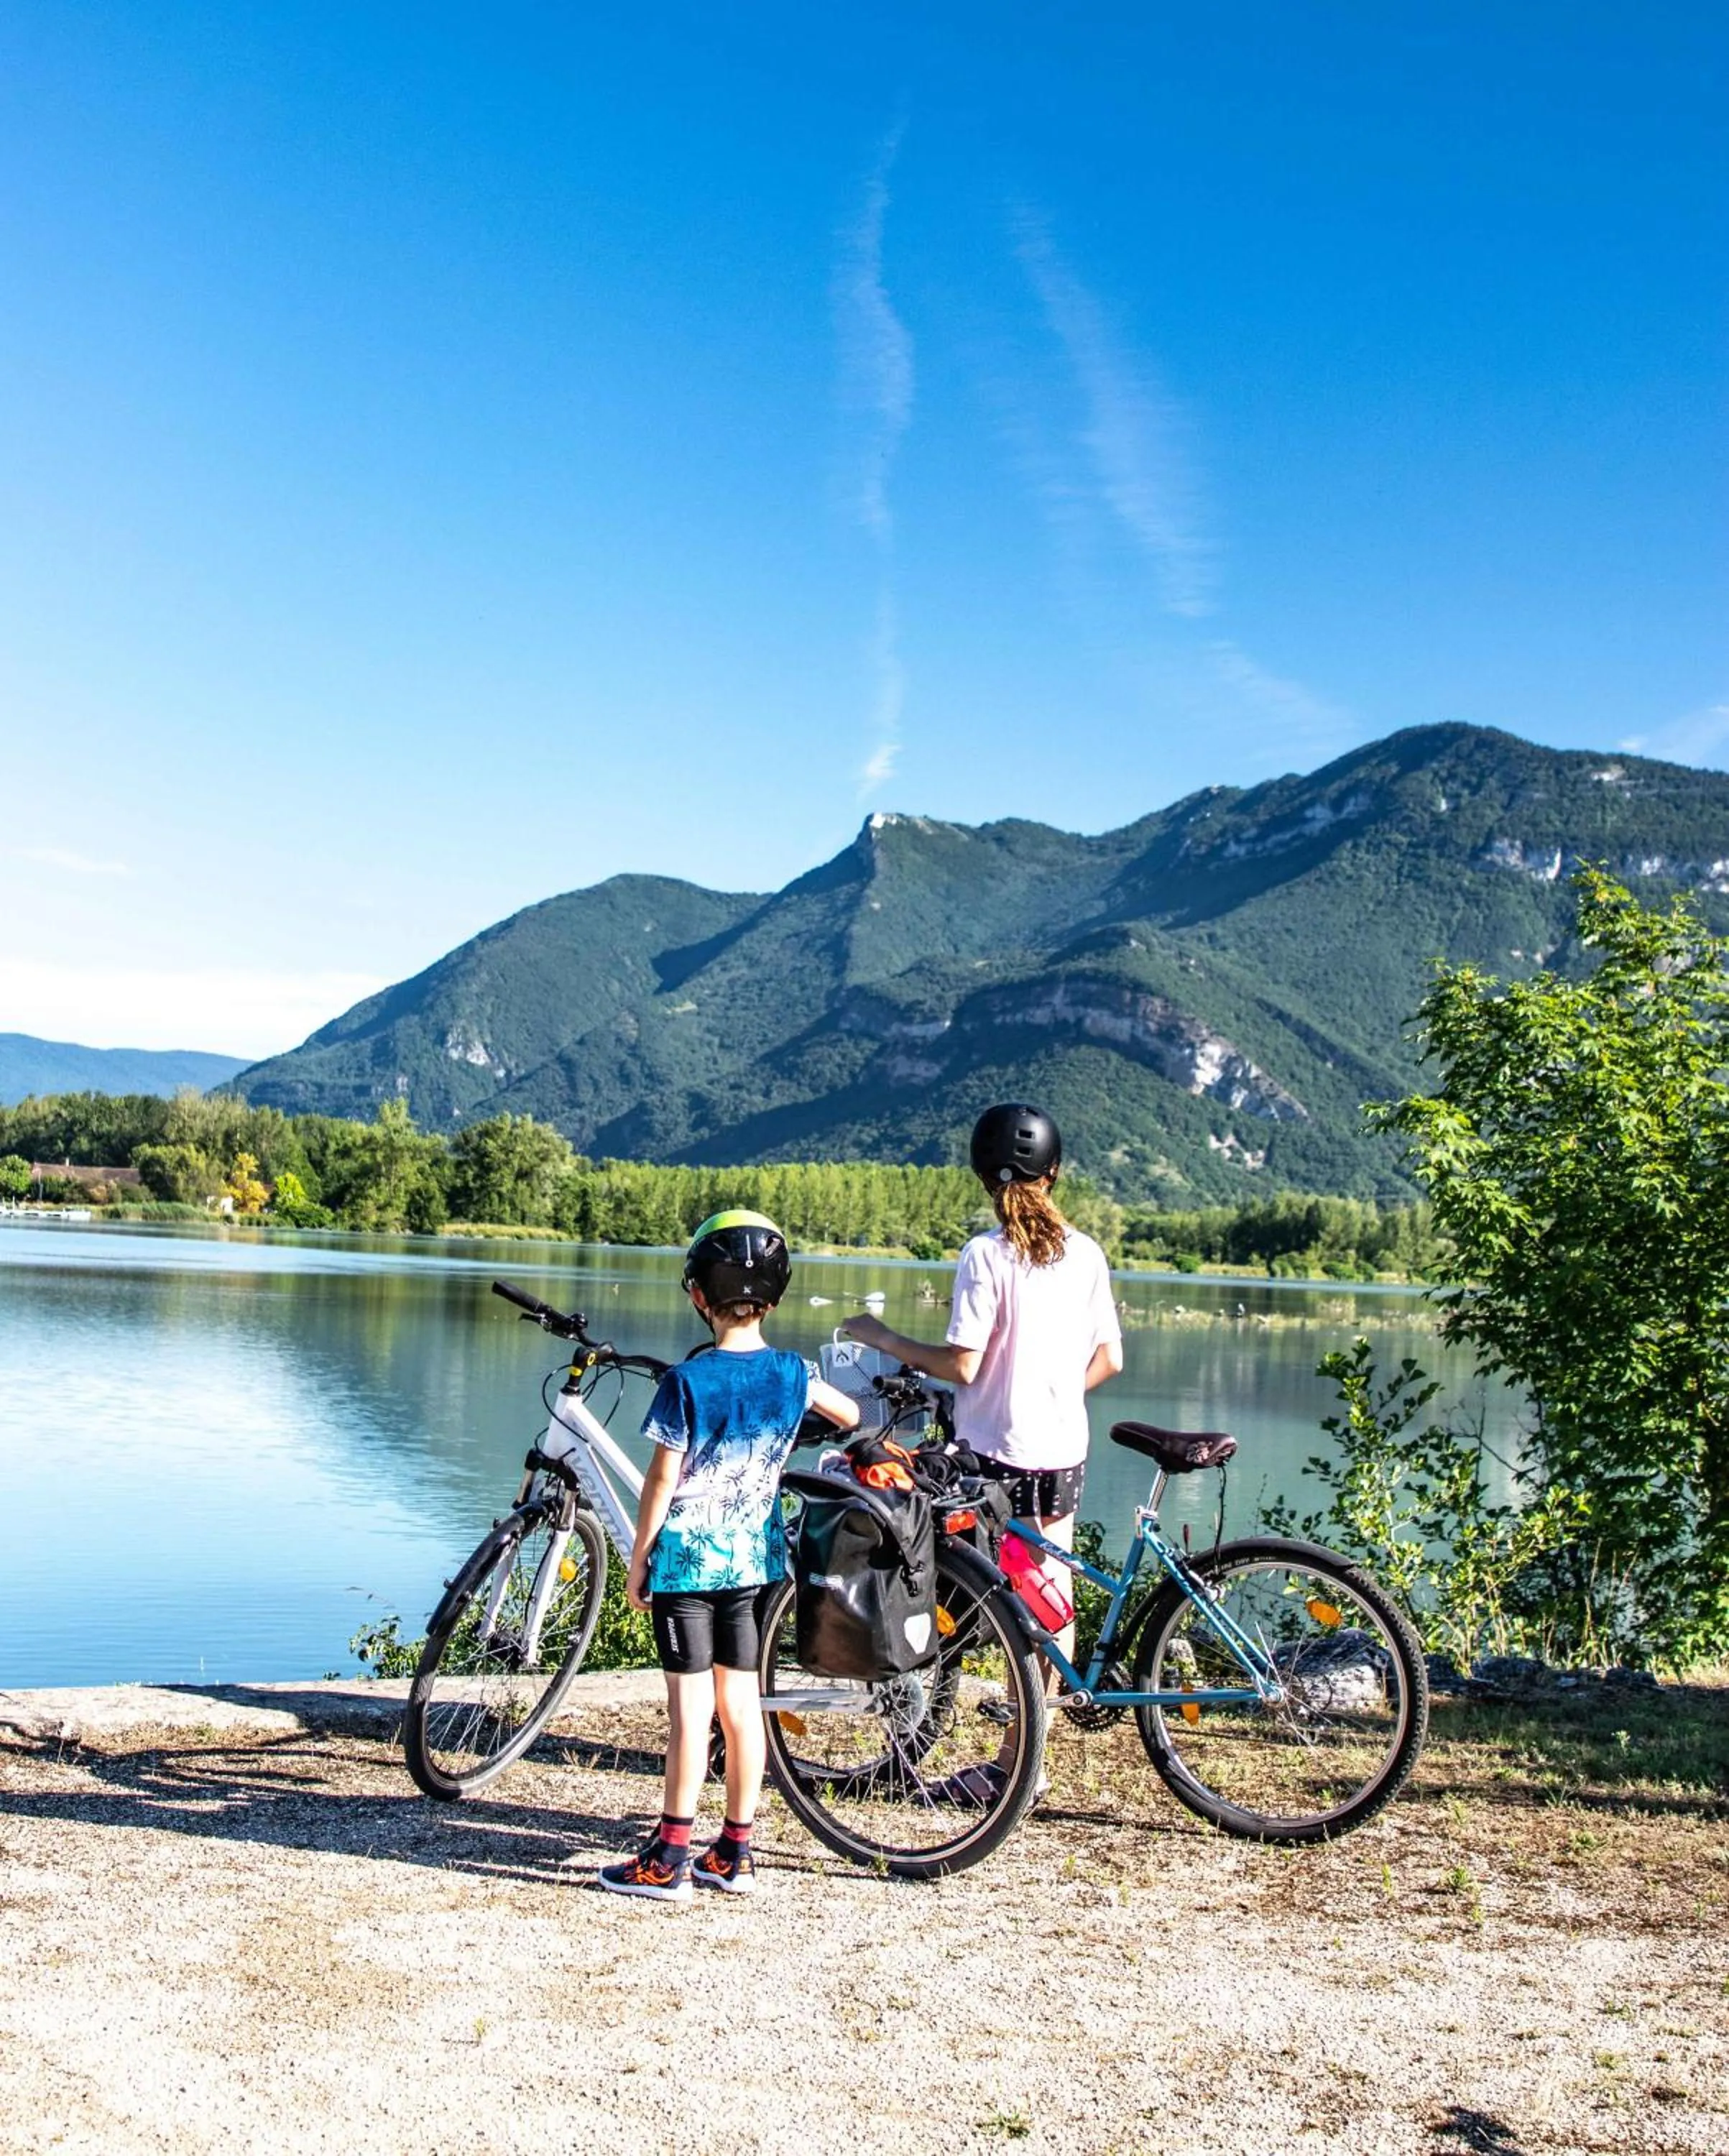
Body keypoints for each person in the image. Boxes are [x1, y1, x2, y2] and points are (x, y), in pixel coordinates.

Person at [842, 1103, 1124, 1803]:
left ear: (982, 1177)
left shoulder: (986, 1255)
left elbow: (963, 1366)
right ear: (1053, 1174)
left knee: (961, 1583)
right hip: (1063, 1450)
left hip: (996, 1455)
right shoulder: (1086, 1254)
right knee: (1048, 1593)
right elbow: (1111, 1359)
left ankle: (1005, 1766)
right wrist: (1056, 1393)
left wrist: (881, 1336)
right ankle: (1031, 1752)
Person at [599, 1210, 859, 1902]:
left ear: (697, 1296)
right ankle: (737, 1852)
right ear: (774, 1297)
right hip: (753, 1568)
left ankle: (670, 1858)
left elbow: (663, 1478)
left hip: (686, 1566)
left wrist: (640, 1556)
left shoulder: (688, 1381)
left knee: (690, 1715)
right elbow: (852, 1417)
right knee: (741, 1707)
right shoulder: (791, 1372)